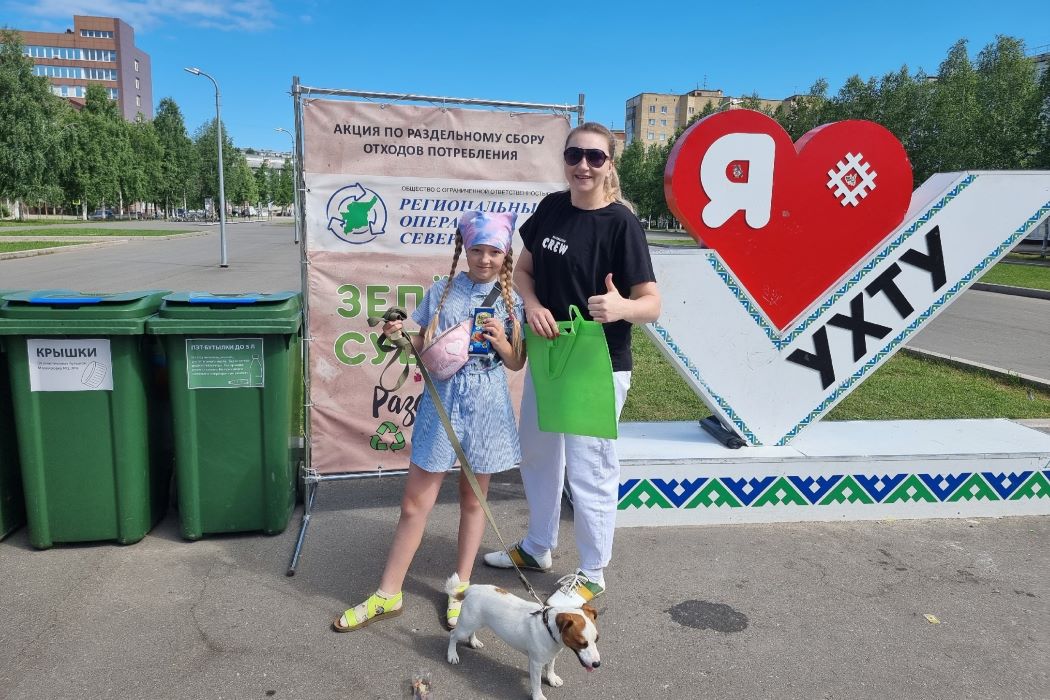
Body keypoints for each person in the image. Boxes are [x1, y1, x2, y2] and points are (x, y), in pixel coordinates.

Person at [483, 122, 661, 607]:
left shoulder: (621, 224)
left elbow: (651, 304)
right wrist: (533, 304)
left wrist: (621, 307)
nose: (583, 165)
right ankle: (538, 546)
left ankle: (593, 571)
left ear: (609, 164)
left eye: (595, 157)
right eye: (575, 155)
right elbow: (522, 271)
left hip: (596, 362)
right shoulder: (552, 208)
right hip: (548, 351)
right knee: (538, 453)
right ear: (565, 159)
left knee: (590, 468)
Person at [333, 210, 526, 632]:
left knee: (474, 500)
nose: (485, 259)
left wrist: (501, 341)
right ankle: (388, 593)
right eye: (477, 250)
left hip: (487, 403)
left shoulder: (513, 300)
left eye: (494, 251)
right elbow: (421, 341)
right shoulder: (441, 290)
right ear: (464, 249)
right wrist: (400, 334)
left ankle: (461, 589)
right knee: (414, 503)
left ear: (506, 254)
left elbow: (516, 361)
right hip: (442, 401)